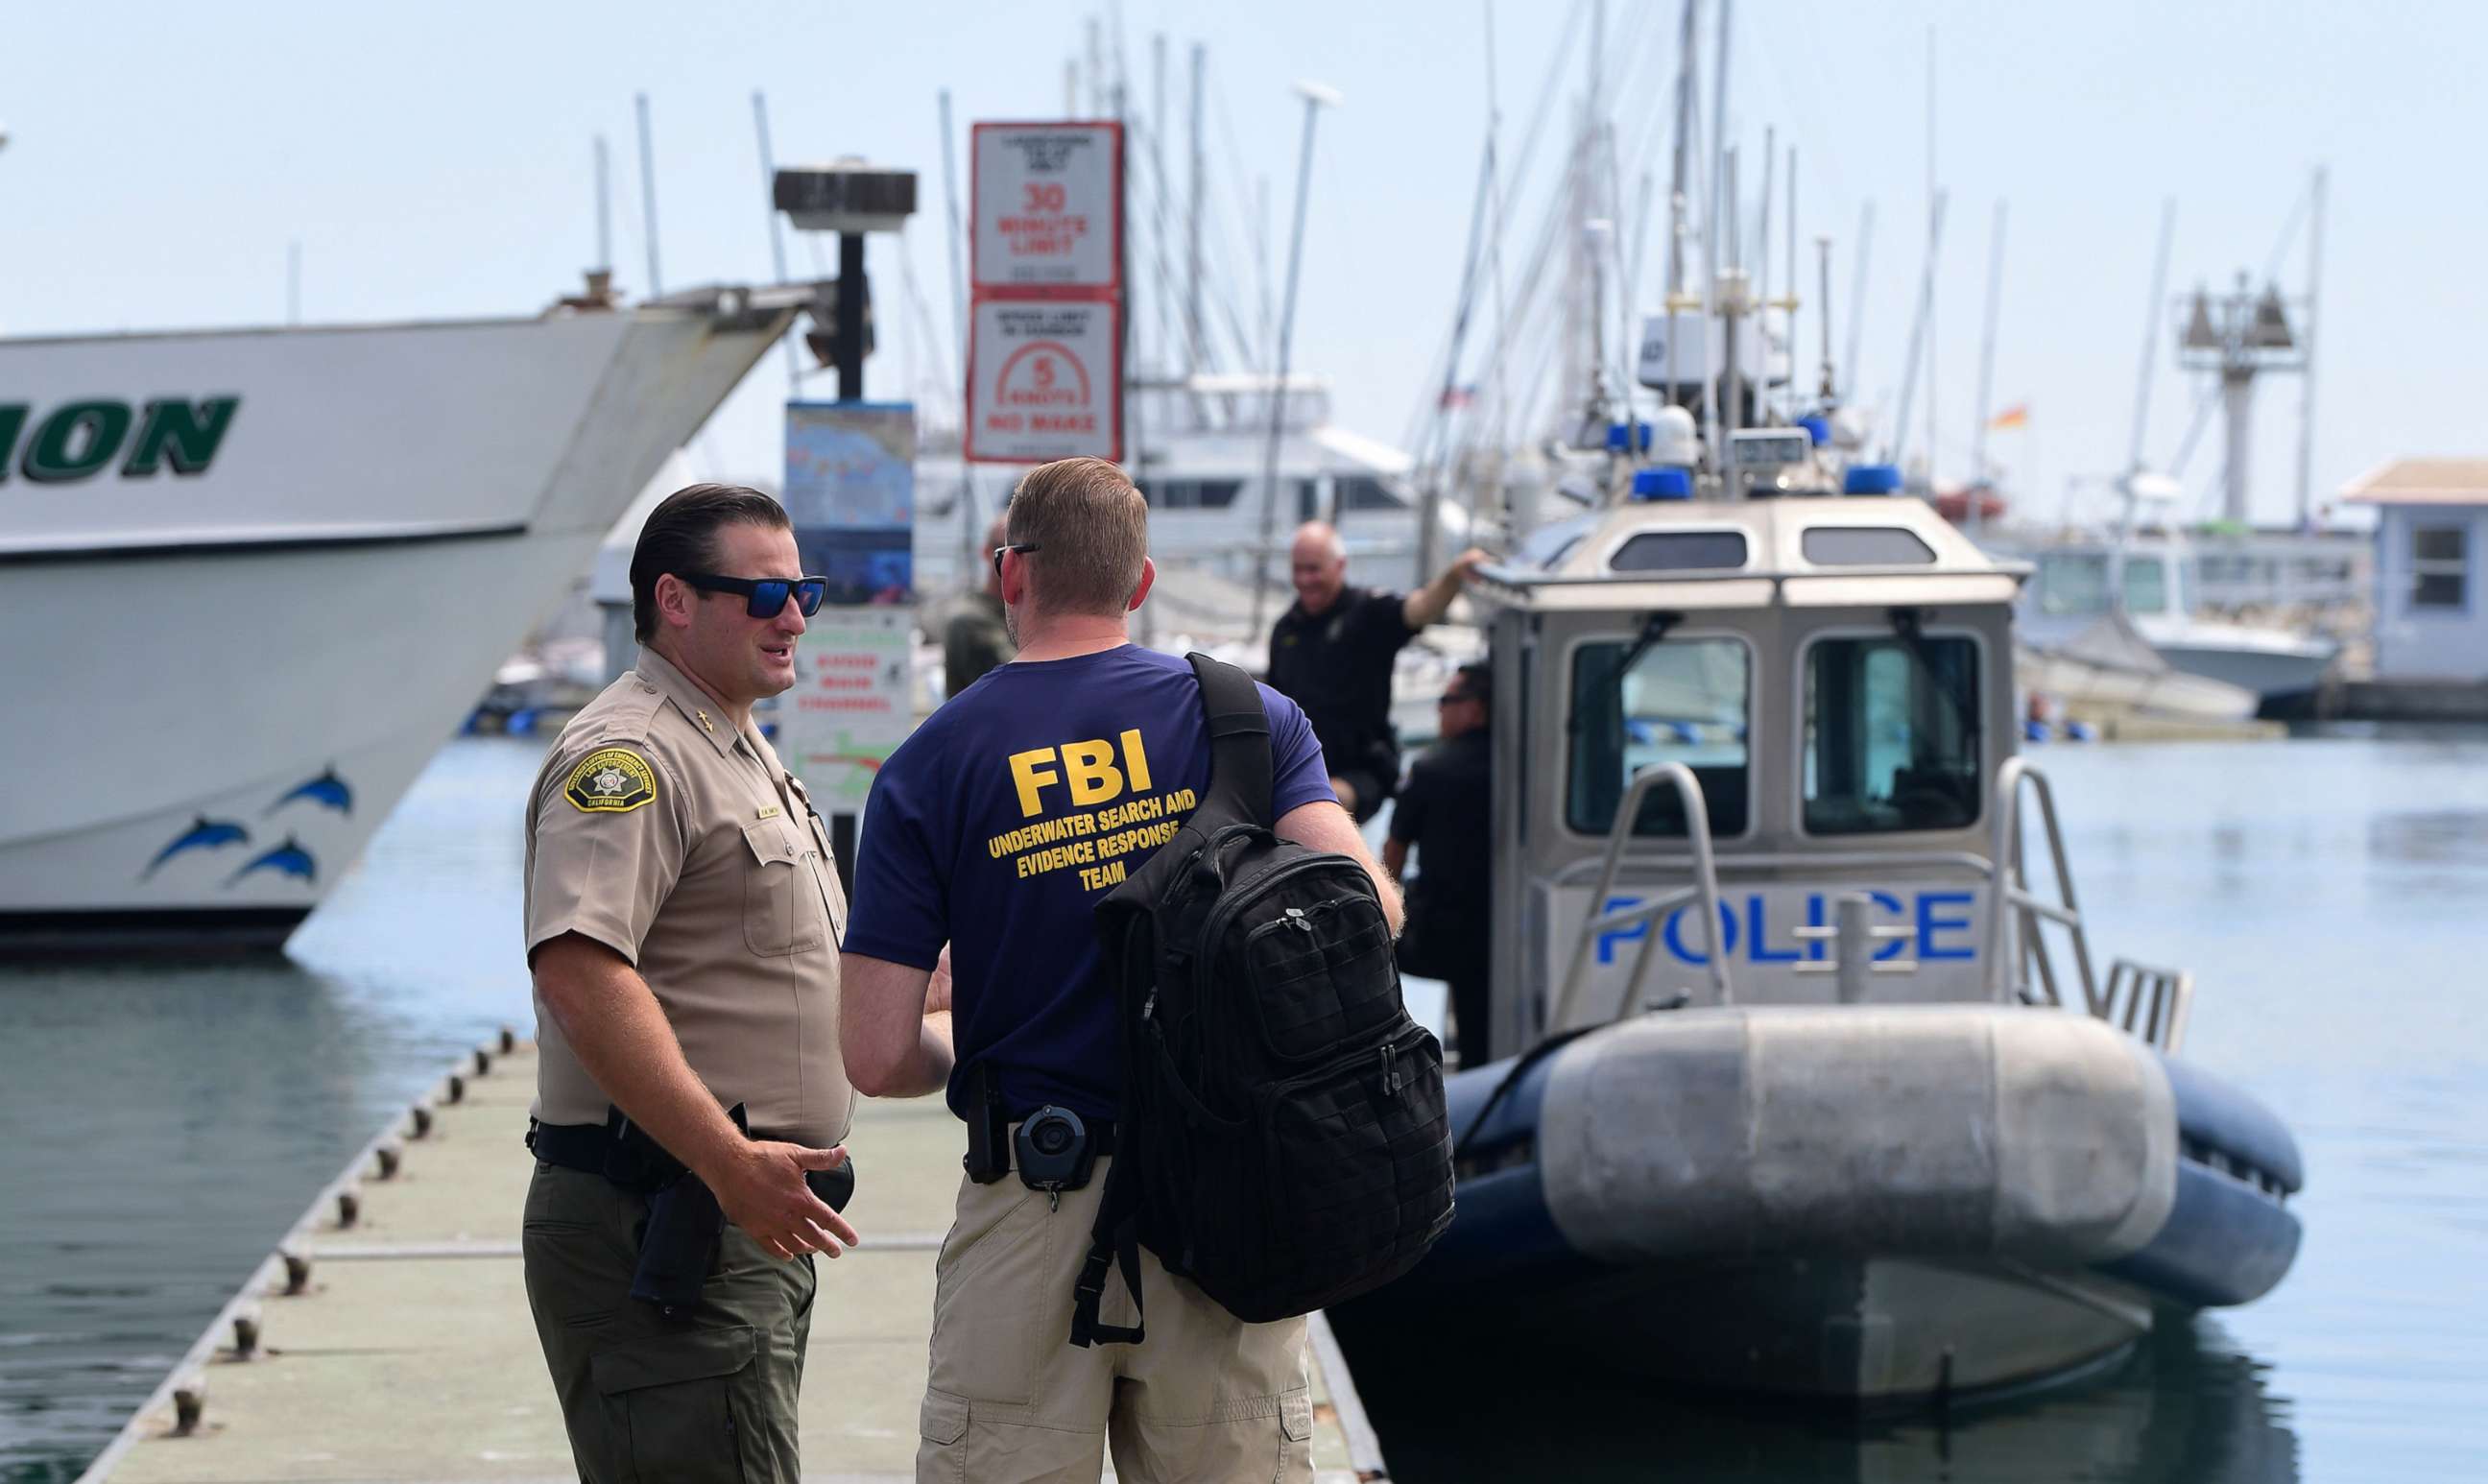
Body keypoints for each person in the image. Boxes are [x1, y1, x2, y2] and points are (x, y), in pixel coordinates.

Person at [840, 456, 1400, 1483]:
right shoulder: (1252, 719)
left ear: (1011, 575)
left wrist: (963, 1022)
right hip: (1232, 1205)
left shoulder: (929, 764)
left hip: (1032, 1207)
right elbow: (1368, 912)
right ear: (1140, 585)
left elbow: (873, 1056)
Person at [520, 483, 863, 1484]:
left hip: (733, 1220)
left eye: (806, 591)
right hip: (666, 1215)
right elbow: (580, 971)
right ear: (674, 599)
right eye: (765, 595)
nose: (794, 616)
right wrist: (724, 1157)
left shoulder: (735, 742)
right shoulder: (630, 754)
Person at [1264, 521, 1489, 822]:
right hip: (1301, 768)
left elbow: (1421, 608)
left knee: (1320, 804)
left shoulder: (1369, 611)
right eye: (1298, 569)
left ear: (1340, 566)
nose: (1305, 579)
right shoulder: (1286, 628)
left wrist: (1454, 575)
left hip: (1361, 772)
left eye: (1314, 569)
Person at [1384, 661, 1495, 1065]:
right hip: (1498, 929)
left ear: (1476, 707)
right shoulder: (1516, 767)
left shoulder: (1431, 768)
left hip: (1442, 931)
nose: (1439, 710)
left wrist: (1381, 915)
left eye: (1447, 700)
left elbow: (1394, 852)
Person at [940, 515, 1016, 697]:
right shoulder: (969, 620)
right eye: (1003, 549)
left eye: (1022, 549)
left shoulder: (1020, 613)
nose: (1013, 558)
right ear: (986, 552)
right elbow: (1018, 681)